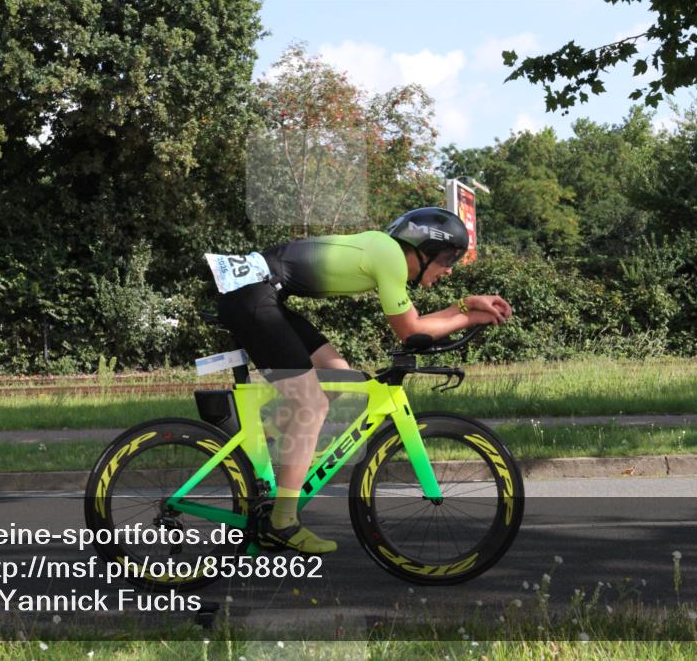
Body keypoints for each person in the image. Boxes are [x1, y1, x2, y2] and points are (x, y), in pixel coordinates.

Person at [207, 207, 513, 554]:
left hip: (257, 292)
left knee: (340, 376)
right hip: (250, 295)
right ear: (422, 250)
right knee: (312, 402)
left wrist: (465, 307)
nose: (449, 268)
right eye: (446, 258)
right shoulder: (390, 257)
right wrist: (469, 316)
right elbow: (411, 331)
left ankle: (272, 443)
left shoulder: (386, 252)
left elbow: (413, 322)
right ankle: (282, 523)